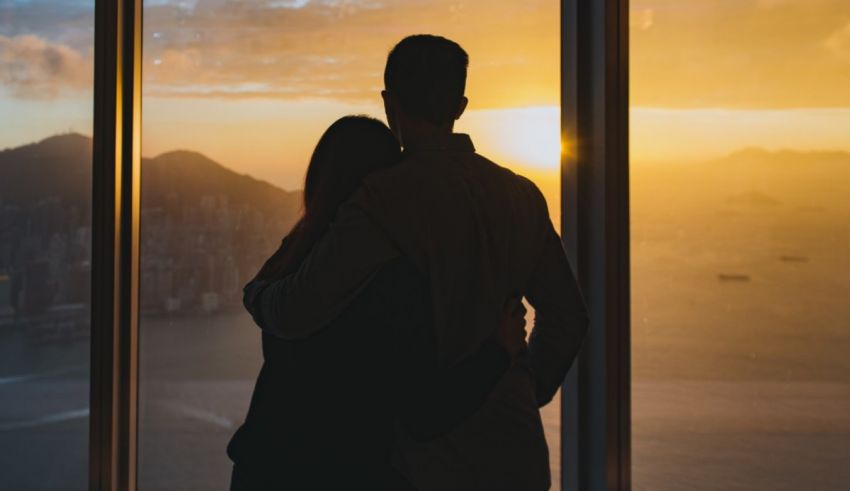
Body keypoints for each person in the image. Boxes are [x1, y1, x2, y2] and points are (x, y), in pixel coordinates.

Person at [246, 35, 589, 490]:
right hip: (517, 452)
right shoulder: (521, 195)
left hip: (429, 460)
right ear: (460, 105)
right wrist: (524, 388)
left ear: (389, 102)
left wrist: (258, 294)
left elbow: (300, 309)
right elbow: (568, 316)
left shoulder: (384, 198)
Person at [228, 116, 529, 490]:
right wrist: (499, 351)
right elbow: (425, 415)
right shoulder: (393, 281)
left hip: (262, 470)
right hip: (345, 474)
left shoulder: (295, 255)